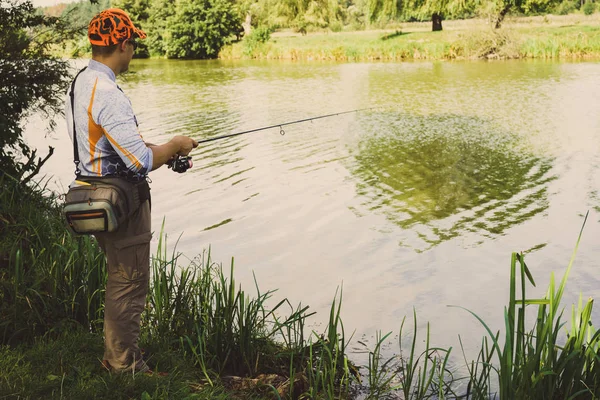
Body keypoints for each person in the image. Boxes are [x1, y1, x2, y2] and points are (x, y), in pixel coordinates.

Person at [65, 8, 198, 374]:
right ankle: (124, 366)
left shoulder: (82, 82)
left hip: (92, 193)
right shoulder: (108, 92)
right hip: (120, 202)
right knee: (129, 282)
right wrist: (175, 144)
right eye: (133, 43)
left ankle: (118, 356)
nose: (134, 50)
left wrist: (163, 150)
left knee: (119, 276)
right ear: (123, 45)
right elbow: (138, 161)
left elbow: (114, 147)